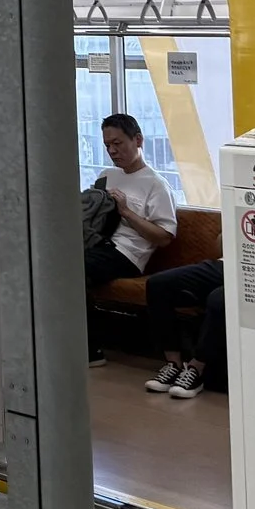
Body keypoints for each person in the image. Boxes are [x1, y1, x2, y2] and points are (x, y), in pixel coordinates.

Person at [85, 113, 176, 365]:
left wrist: (126, 212)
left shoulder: (156, 185)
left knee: (73, 270)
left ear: (138, 140)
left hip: (127, 254)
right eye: (107, 145)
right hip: (98, 243)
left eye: (118, 143)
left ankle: (90, 348)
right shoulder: (107, 175)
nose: (112, 151)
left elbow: (164, 237)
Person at [145, 259, 224, 399]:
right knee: (157, 283)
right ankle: (173, 364)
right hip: (226, 263)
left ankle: (196, 369)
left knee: (218, 299)